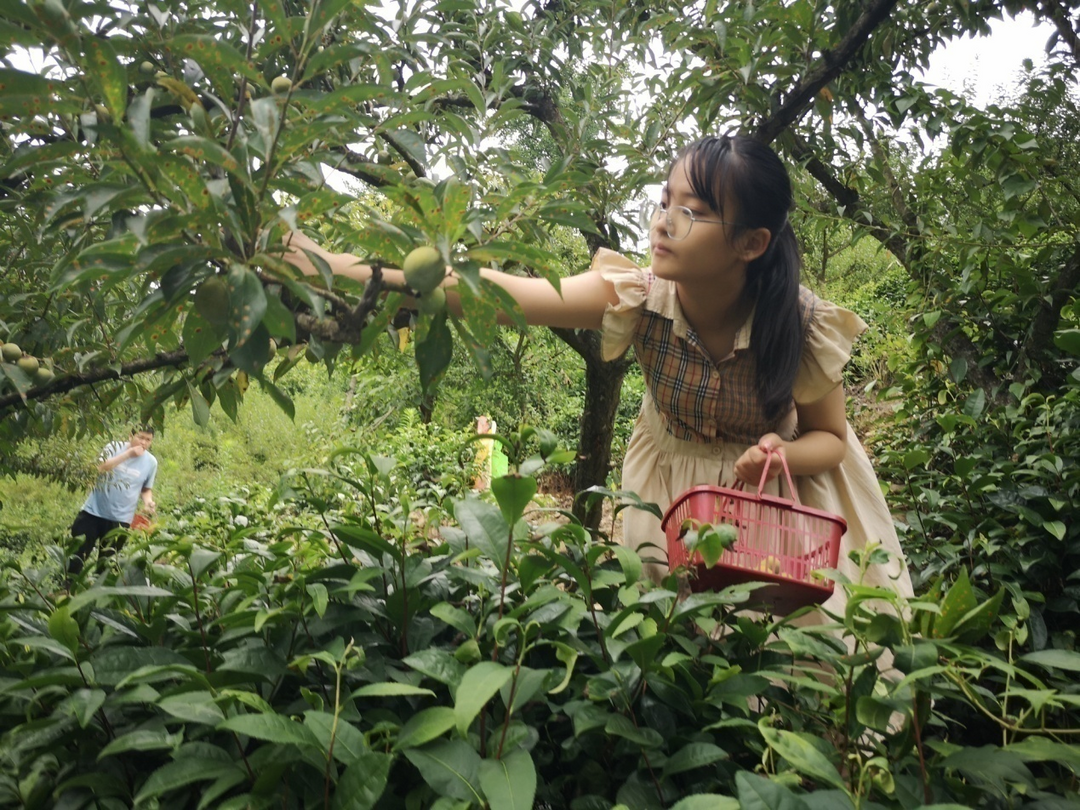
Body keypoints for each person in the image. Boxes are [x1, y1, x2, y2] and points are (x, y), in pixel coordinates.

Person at [283, 134, 913, 614]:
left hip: (779, 499)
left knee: (798, 657)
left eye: (691, 212)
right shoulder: (637, 296)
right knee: (675, 643)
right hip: (670, 485)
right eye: (665, 202)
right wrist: (336, 269)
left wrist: (781, 449)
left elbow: (831, 437)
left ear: (751, 244)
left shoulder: (798, 323)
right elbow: (506, 296)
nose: (663, 222)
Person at [68, 425, 158, 575]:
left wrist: (148, 502)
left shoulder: (151, 462)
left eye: (148, 440)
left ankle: (98, 594)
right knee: (77, 555)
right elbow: (100, 467)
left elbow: (146, 488)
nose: (143, 442)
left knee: (106, 564)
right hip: (92, 513)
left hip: (120, 520)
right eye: (140, 437)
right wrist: (128, 454)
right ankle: (66, 590)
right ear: (131, 436)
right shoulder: (113, 447)